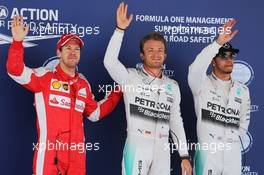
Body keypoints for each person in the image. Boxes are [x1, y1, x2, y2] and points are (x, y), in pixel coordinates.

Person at [6, 16, 122, 175]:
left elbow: (95, 113)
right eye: (68, 48)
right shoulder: (45, 76)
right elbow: (15, 70)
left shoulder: (83, 83)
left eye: (77, 49)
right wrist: (17, 42)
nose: (73, 53)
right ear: (58, 52)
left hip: (77, 155)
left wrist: (120, 88)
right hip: (49, 153)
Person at [103, 2, 192, 175]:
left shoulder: (172, 86)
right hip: (137, 144)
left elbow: (175, 121)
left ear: (165, 55)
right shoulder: (130, 77)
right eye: (150, 50)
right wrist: (119, 30)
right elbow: (110, 62)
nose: (156, 54)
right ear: (142, 55)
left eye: (160, 50)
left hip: (162, 148)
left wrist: (184, 155)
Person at [188, 19, 251, 175]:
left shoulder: (242, 90)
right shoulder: (201, 84)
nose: (229, 60)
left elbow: (243, 123)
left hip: (233, 153)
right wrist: (217, 43)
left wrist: (231, 139)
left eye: (231, 56)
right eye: (223, 56)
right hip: (209, 151)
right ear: (213, 61)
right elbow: (195, 68)